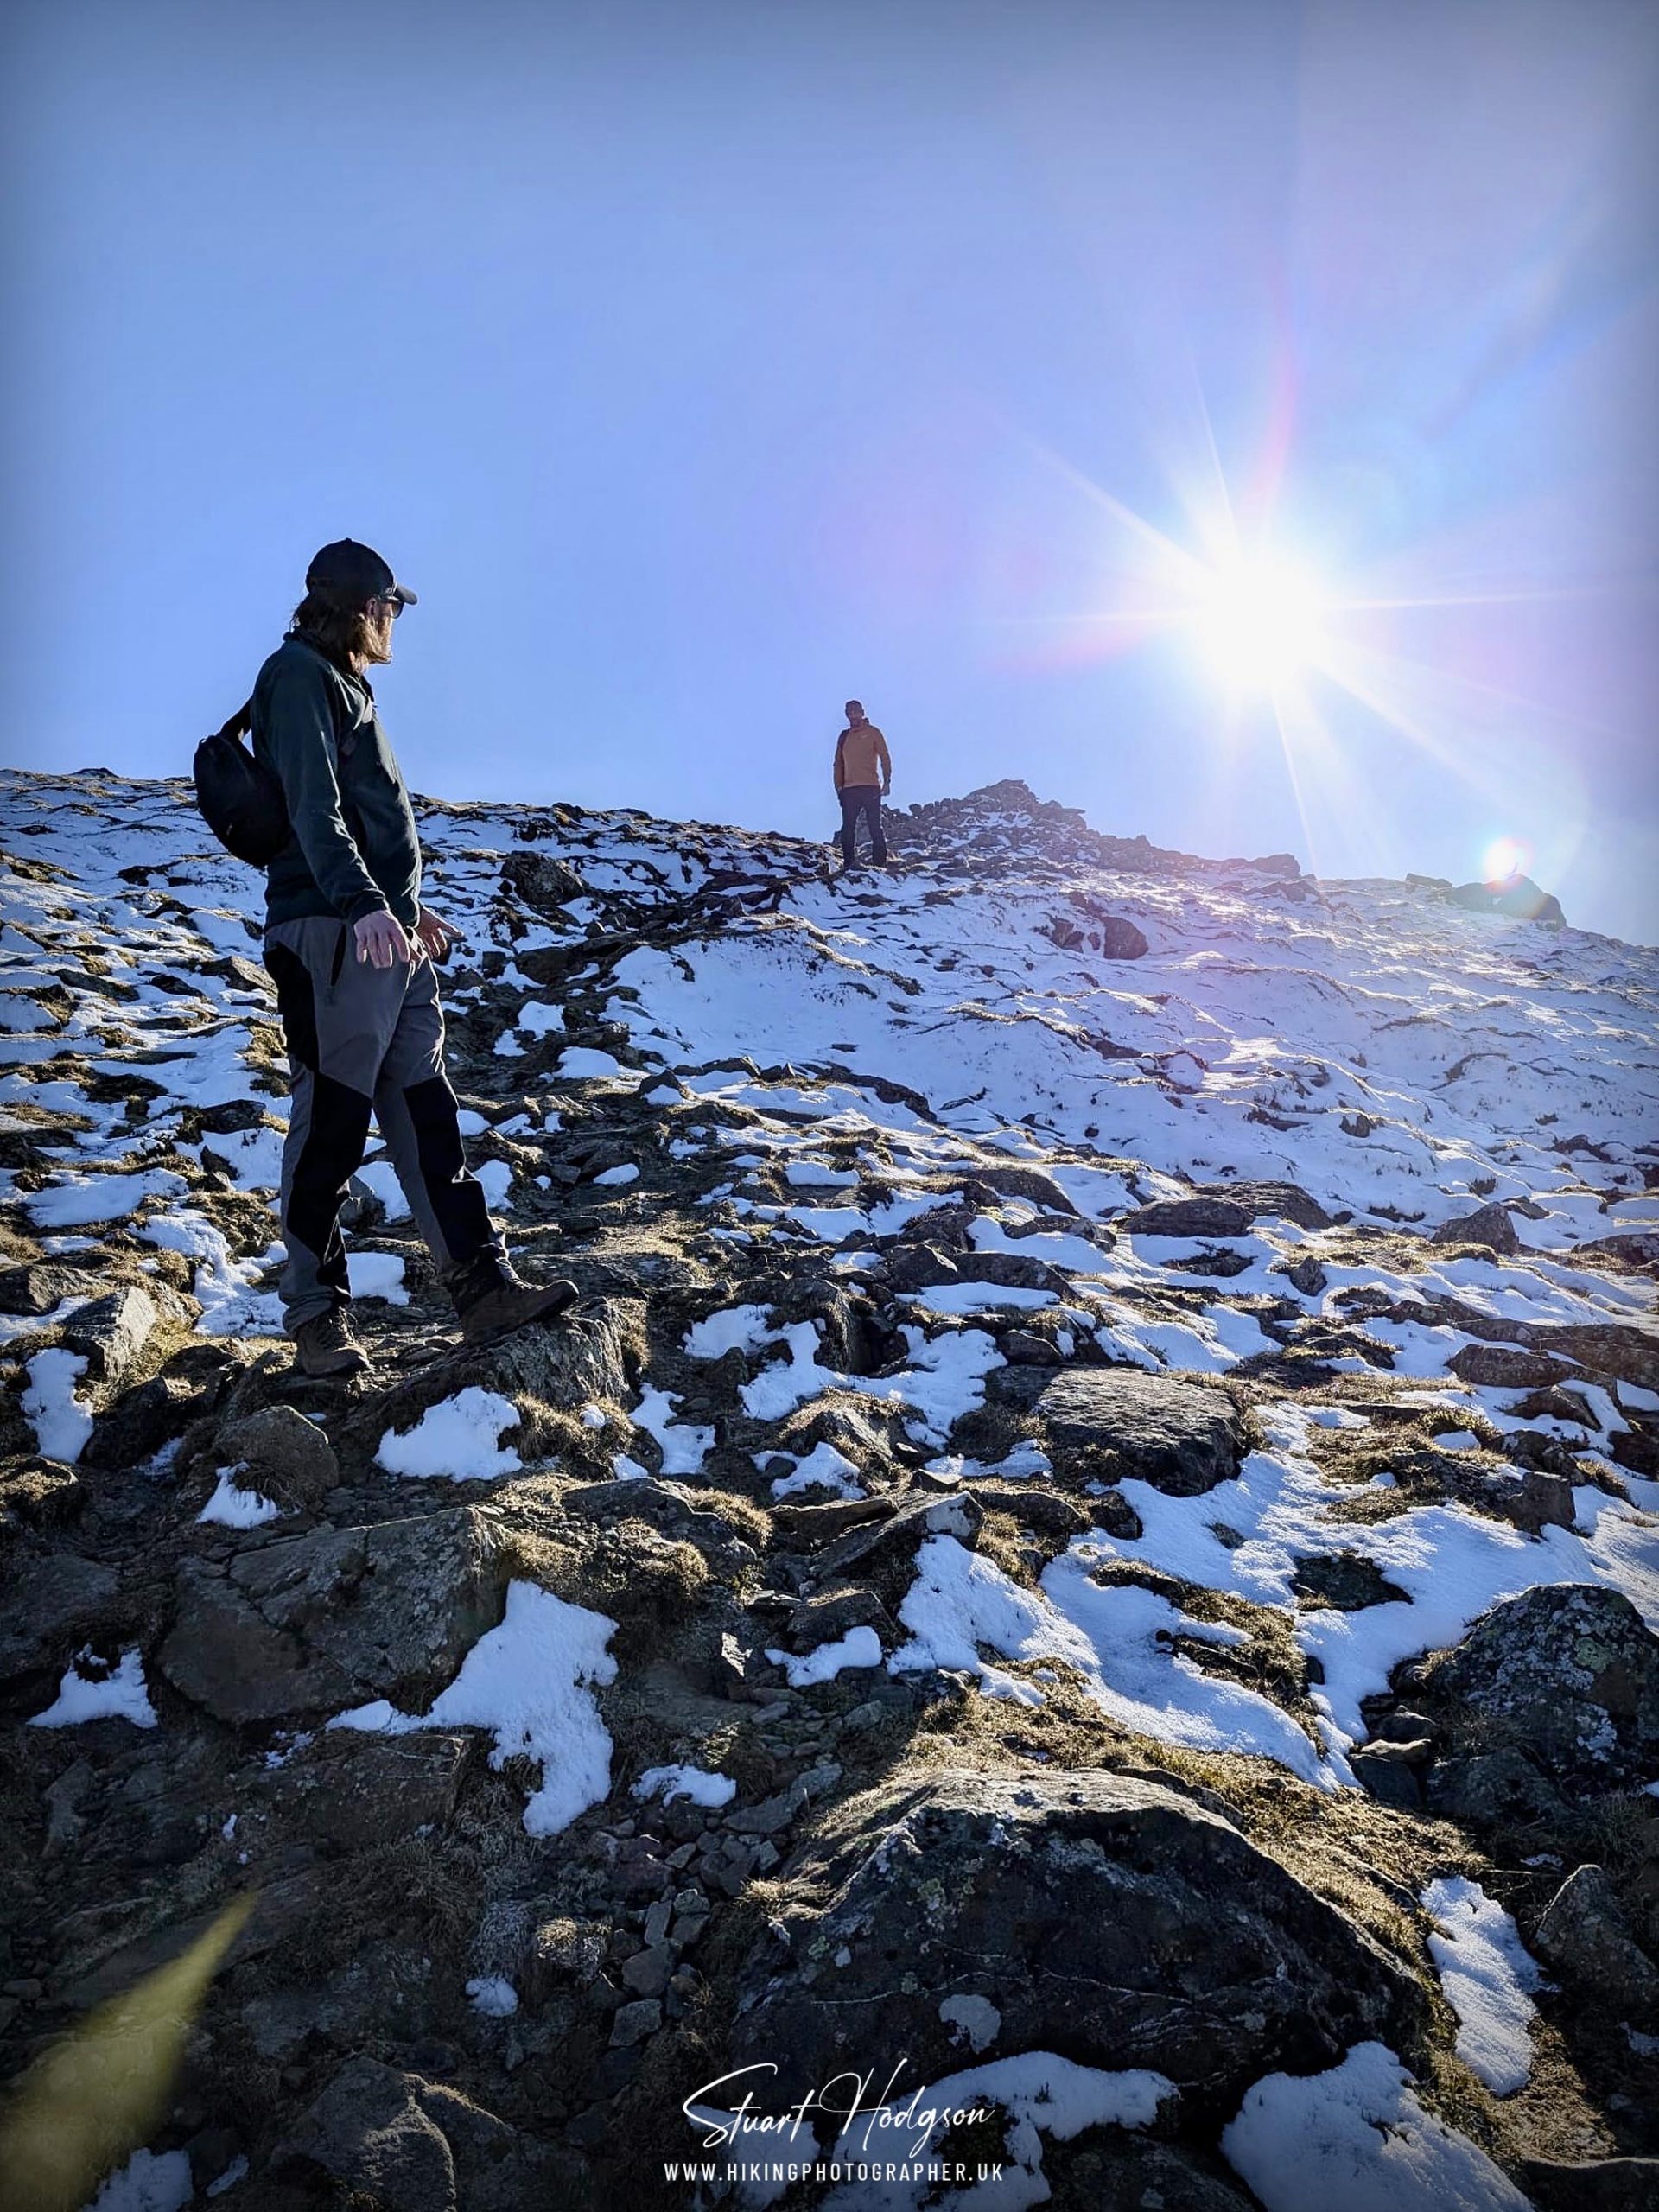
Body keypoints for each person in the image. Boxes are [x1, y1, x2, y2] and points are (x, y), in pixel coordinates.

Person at [252, 537, 578, 1378]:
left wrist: (405, 912)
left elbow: (358, 820)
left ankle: (481, 1287)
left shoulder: (347, 686)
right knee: (330, 1121)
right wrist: (364, 905)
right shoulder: (299, 677)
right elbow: (313, 809)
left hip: (380, 939)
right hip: (330, 936)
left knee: (426, 1112)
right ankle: (317, 1316)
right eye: (392, 607)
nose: (397, 622)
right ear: (366, 608)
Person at [832, 699, 892, 869]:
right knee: (848, 828)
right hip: (849, 789)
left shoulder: (873, 732)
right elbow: (838, 764)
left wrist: (887, 780)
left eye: (856, 712)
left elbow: (884, 756)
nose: (853, 715)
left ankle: (880, 864)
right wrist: (839, 788)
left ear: (862, 712)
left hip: (870, 786)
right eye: (849, 712)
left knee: (875, 825)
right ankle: (849, 864)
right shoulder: (844, 736)